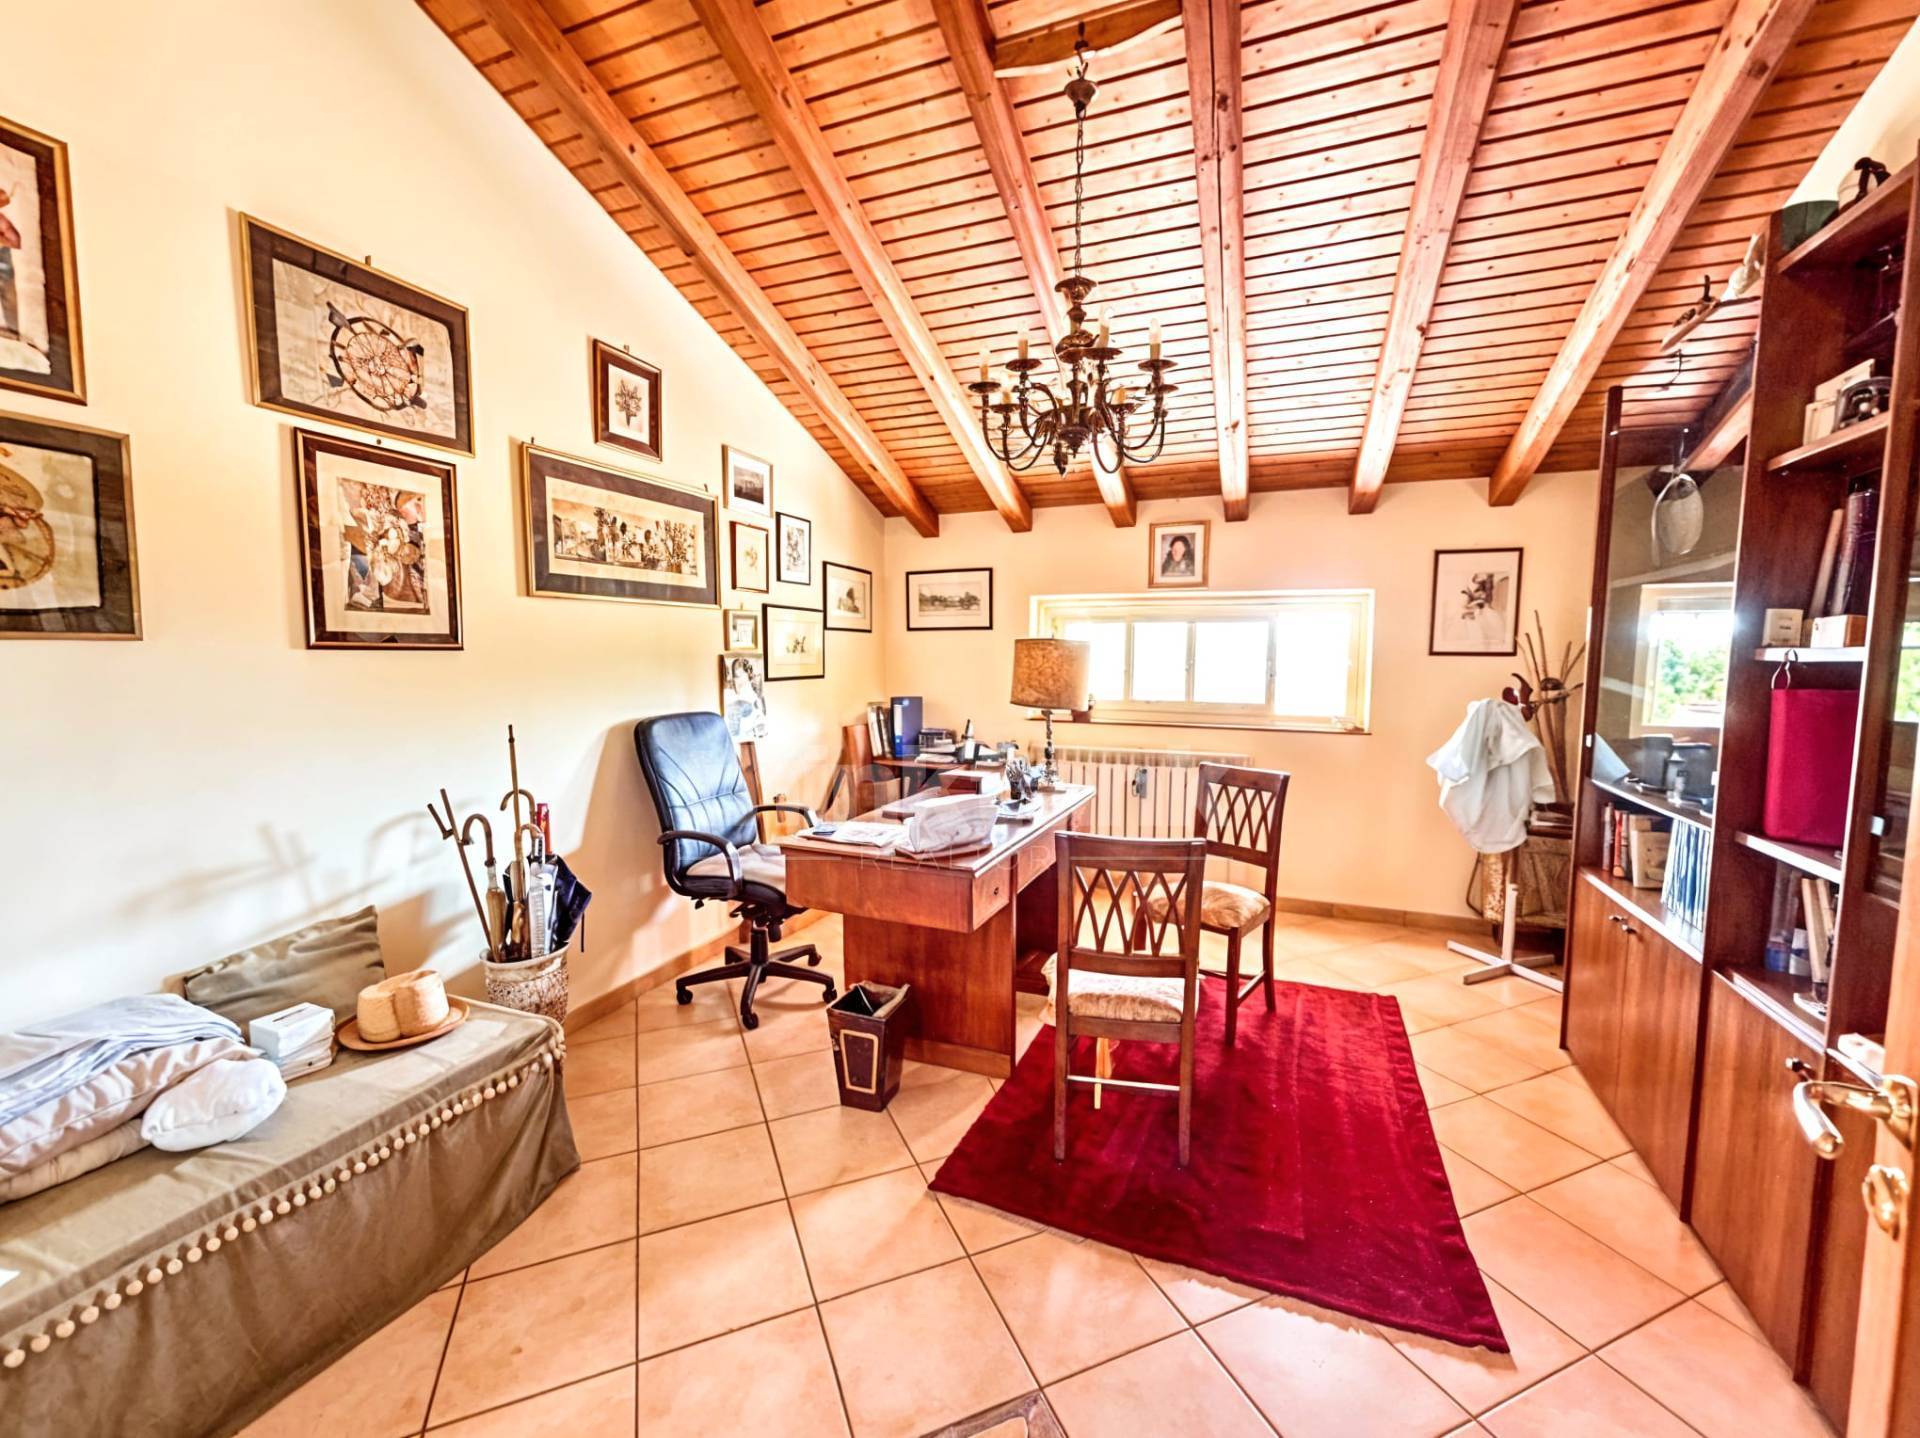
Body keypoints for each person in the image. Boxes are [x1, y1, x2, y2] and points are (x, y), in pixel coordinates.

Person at [0, 186, 22, 341]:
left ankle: (12, 331)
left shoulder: (1, 221)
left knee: (8, 296)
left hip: (3, 264)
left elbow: (16, 242)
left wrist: (1, 240)